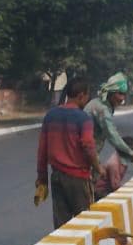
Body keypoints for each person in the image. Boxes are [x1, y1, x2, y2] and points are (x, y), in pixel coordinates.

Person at [35, 76, 102, 229]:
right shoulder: (84, 119)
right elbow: (88, 147)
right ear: (81, 96)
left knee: (61, 225)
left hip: (57, 177)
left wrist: (42, 178)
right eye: (87, 96)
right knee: (84, 224)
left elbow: (42, 150)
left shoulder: (51, 116)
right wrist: (99, 168)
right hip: (79, 179)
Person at [85, 72, 133, 174]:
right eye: (120, 94)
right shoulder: (102, 109)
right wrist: (132, 154)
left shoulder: (103, 105)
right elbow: (112, 135)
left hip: (90, 154)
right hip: (86, 155)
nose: (122, 99)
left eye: (124, 95)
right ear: (110, 93)